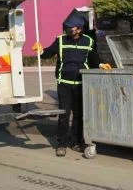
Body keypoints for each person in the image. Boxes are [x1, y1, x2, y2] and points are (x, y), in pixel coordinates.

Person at [32, 12, 97, 157]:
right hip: (64, 85)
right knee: (64, 115)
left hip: (81, 84)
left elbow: (94, 60)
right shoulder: (60, 40)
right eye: (66, 27)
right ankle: (61, 144)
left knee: (79, 115)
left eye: (70, 28)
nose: (67, 30)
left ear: (79, 29)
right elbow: (48, 53)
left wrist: (102, 64)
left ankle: (76, 142)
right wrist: (40, 50)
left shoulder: (89, 41)